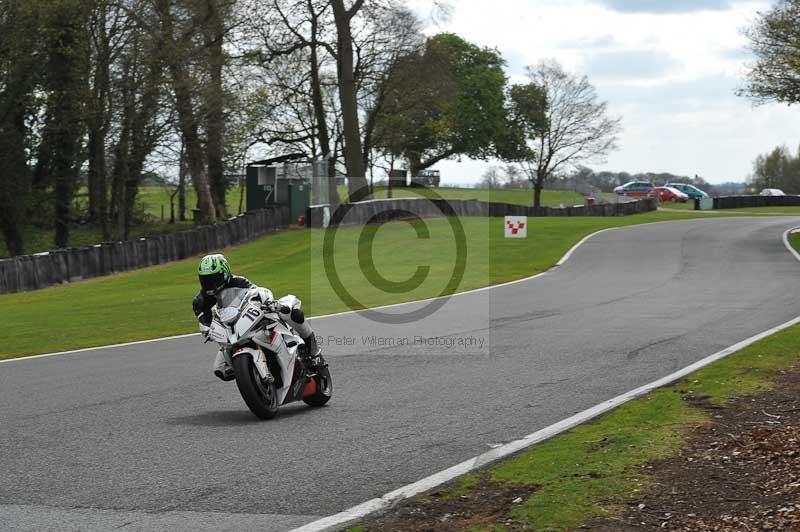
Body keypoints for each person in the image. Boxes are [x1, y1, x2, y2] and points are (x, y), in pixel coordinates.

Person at [192, 253, 320, 381]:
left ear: (224, 273)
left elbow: (257, 292)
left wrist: (268, 302)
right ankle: (253, 376)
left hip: (250, 321)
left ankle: (313, 351)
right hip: (230, 333)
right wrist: (207, 329)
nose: (209, 283)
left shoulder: (239, 282)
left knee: (290, 311)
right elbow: (203, 321)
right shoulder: (200, 301)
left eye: (213, 278)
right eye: (205, 280)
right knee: (220, 370)